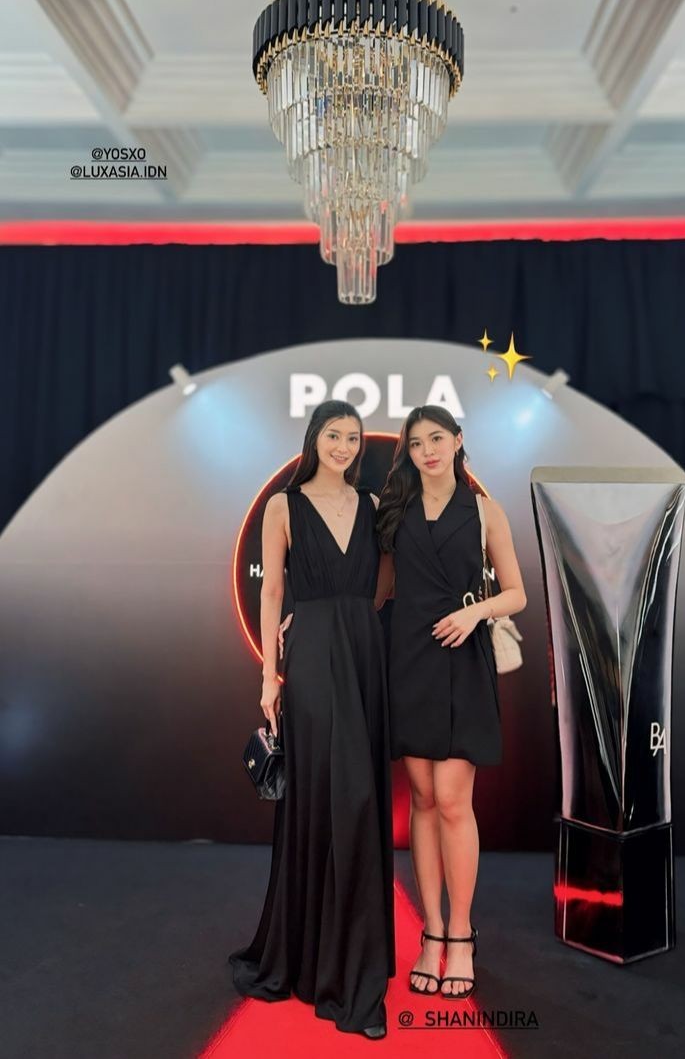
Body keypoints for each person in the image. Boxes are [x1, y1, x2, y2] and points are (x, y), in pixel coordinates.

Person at [228, 400, 395, 1040]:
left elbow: (386, 582)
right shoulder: (283, 506)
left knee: (361, 799)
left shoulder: (373, 505)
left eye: (353, 437)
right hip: (312, 656)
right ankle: (319, 961)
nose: (345, 446)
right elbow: (271, 591)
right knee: (329, 796)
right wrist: (269, 675)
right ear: (314, 438)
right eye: (334, 435)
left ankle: (351, 961)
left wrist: (356, 615)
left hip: (364, 652)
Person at [375, 405, 526, 1000]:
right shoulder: (396, 511)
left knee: (454, 800)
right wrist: (304, 620)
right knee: (422, 799)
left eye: (437, 438)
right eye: (416, 444)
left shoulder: (485, 511)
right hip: (408, 660)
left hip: (463, 660)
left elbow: (515, 594)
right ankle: (431, 932)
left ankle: (461, 935)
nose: (428, 451)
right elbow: (378, 591)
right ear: (408, 453)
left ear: (458, 441)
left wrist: (473, 613)